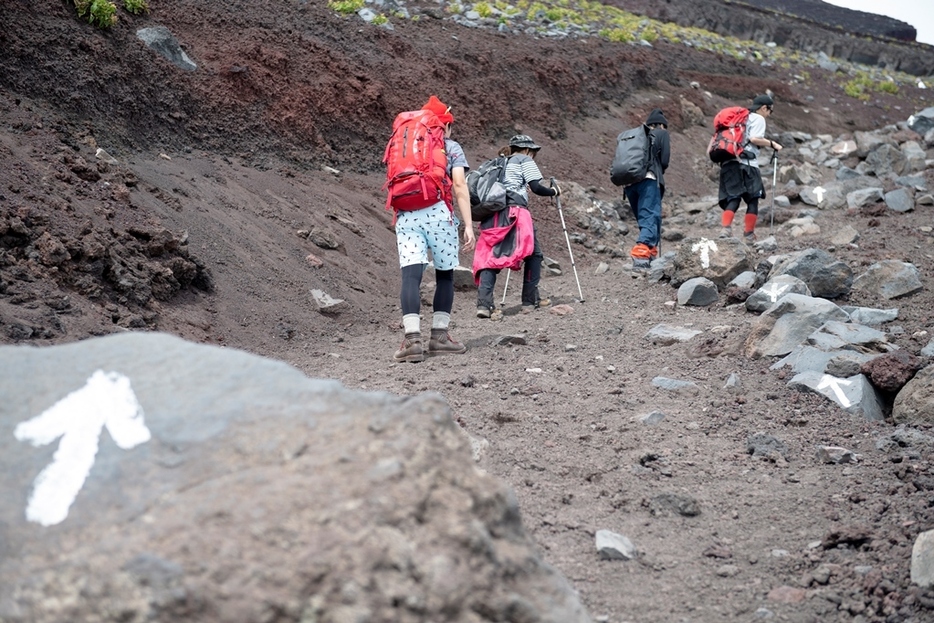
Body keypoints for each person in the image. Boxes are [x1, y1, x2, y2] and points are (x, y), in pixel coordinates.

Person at [392, 95, 475, 363]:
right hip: (439, 212)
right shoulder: (451, 147)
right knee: (445, 276)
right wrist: (469, 225)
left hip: (406, 215)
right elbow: (460, 186)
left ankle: (412, 340)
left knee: (411, 277)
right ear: (445, 126)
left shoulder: (405, 143)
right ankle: (439, 337)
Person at [474, 134, 560, 319]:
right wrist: (554, 191)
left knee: (491, 257)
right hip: (515, 212)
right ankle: (529, 301)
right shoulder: (524, 159)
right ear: (528, 150)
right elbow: (537, 187)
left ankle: (484, 304)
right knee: (534, 254)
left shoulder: (499, 162)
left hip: (492, 214)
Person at [718, 94, 782, 243]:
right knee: (753, 199)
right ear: (764, 107)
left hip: (729, 162)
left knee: (733, 197)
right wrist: (773, 144)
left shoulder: (740, 118)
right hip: (748, 164)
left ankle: (725, 229)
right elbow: (754, 138)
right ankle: (749, 235)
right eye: (770, 111)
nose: (769, 114)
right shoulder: (758, 118)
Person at [625, 108, 670, 271]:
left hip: (629, 182)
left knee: (645, 219)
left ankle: (650, 252)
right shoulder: (662, 134)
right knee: (651, 215)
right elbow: (664, 160)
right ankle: (641, 254)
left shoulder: (636, 136)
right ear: (662, 125)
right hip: (649, 179)